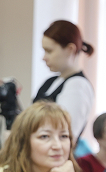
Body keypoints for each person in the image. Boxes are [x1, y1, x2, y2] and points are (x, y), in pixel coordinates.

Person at [33, 20, 95, 155]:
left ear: (70, 49)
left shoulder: (78, 86)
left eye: (49, 51)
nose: (44, 58)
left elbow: (65, 138)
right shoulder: (51, 82)